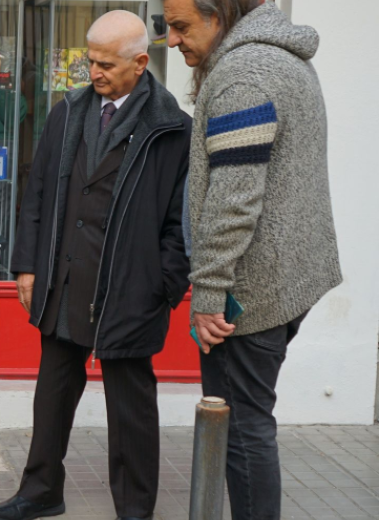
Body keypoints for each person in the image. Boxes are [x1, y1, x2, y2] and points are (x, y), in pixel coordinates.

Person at [0, 11, 192, 520]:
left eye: (104, 63)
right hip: (65, 275)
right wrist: (28, 266)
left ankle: (135, 508)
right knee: (52, 391)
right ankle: (40, 492)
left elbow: (182, 222)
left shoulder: (171, 129)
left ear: (141, 62)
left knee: (131, 406)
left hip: (131, 286)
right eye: (89, 60)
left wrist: (161, 284)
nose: (93, 72)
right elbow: (37, 192)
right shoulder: (69, 110)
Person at [165, 1, 342, 519]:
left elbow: (233, 200)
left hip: (249, 292)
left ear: (219, 15)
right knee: (251, 423)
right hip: (288, 279)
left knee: (241, 432)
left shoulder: (244, 75)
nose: (172, 41)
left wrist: (209, 292)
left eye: (181, 26)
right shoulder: (284, 59)